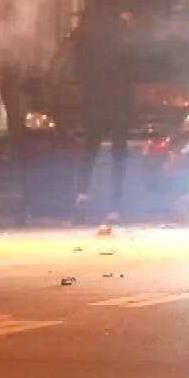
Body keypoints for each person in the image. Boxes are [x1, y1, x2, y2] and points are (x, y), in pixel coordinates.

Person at [74, 13, 137, 225]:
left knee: (90, 153)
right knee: (118, 156)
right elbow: (132, 76)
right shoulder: (126, 48)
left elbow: (81, 72)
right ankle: (114, 206)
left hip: (96, 106)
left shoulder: (92, 47)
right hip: (117, 106)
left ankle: (82, 197)